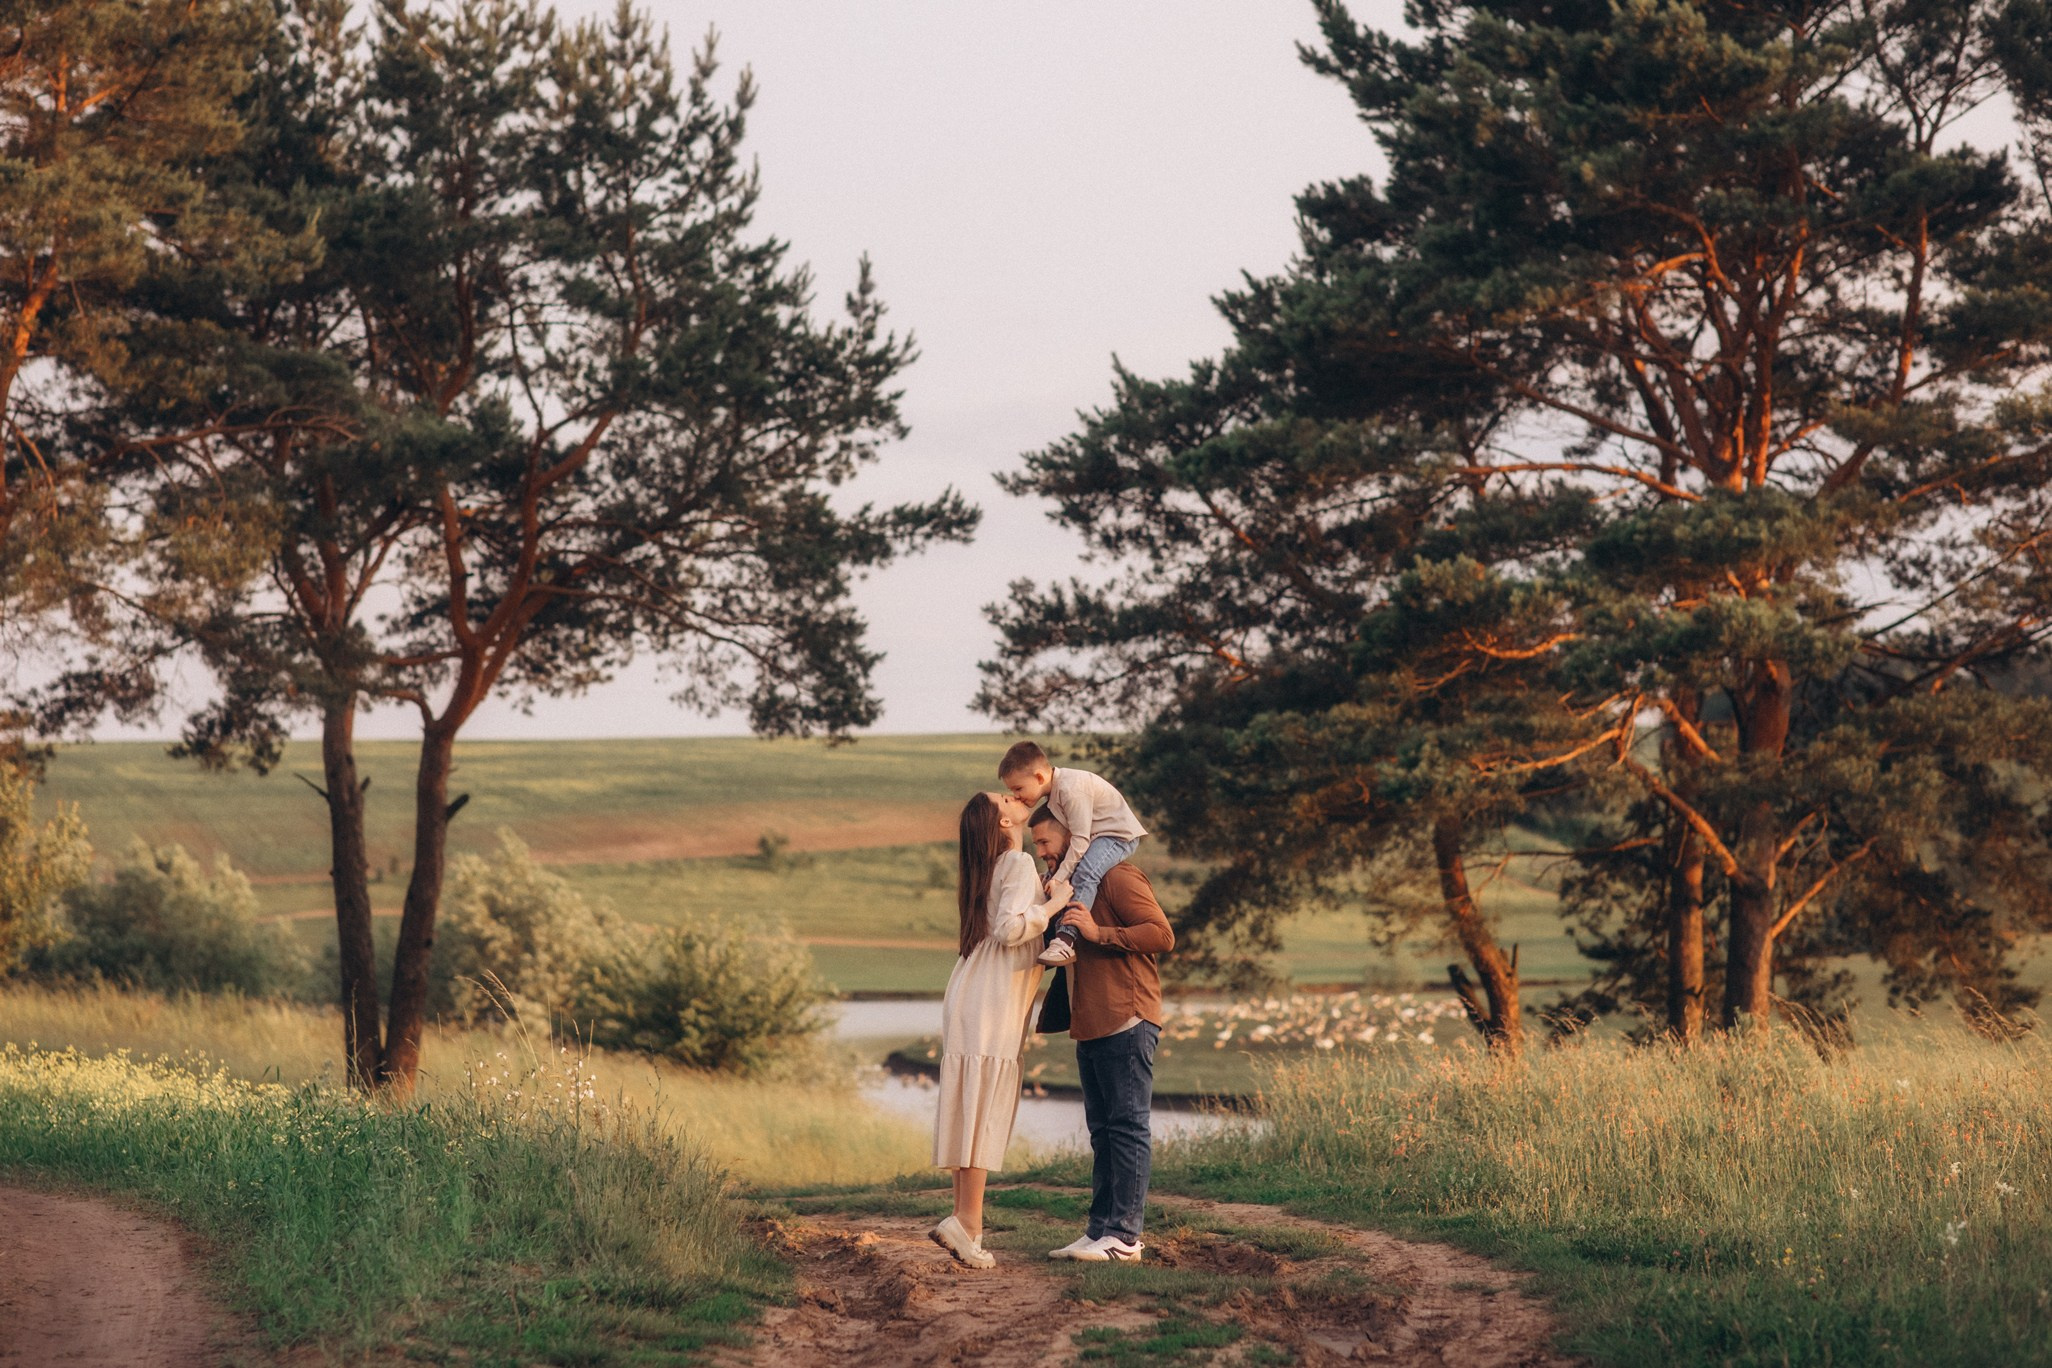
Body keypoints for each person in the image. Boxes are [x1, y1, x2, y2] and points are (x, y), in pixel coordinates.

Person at [929, 790, 1075, 1269]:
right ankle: (967, 1223)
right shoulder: (1015, 863)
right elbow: (1012, 930)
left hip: (973, 993)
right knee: (982, 1108)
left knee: (972, 1106)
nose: (1015, 798)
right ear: (1002, 824)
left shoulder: (987, 869)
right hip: (990, 1001)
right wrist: (1057, 904)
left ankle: (964, 1220)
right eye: (1005, 800)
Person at [1028, 804, 1173, 1263]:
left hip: (1126, 1016)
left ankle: (1126, 1238)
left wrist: (1097, 932)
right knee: (1103, 1131)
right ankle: (1099, 1233)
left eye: (1046, 843)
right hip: (1090, 1020)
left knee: (1127, 1128)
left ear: (1073, 836)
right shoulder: (1071, 886)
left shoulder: (1118, 877)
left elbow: (1161, 935)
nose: (1043, 854)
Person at [997, 740, 1147, 968]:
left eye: (1018, 788)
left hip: (1117, 836)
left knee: (1086, 872)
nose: (1016, 796)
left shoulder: (1070, 789)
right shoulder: (1055, 792)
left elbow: (1080, 840)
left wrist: (1059, 878)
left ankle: (1065, 940)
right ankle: (1047, 934)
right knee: (1061, 873)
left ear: (1039, 777)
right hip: (1097, 836)